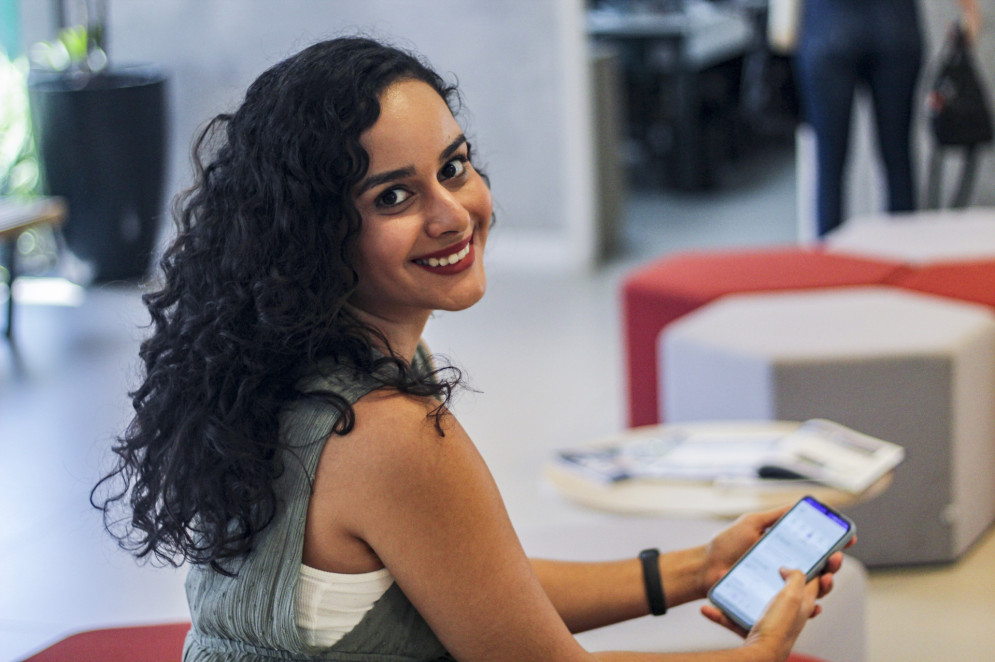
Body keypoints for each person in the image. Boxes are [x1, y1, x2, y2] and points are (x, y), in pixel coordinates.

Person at [92, 36, 849, 661]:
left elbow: (476, 592)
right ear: (312, 231)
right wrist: (762, 649)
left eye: (453, 167)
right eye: (394, 195)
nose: (453, 213)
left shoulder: (280, 365)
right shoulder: (387, 433)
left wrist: (699, 569)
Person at [795, 0, 981, 236]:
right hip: (895, 25)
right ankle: (903, 259)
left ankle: (829, 265)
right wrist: (970, 10)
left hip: (829, 24)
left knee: (829, 164)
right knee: (898, 159)